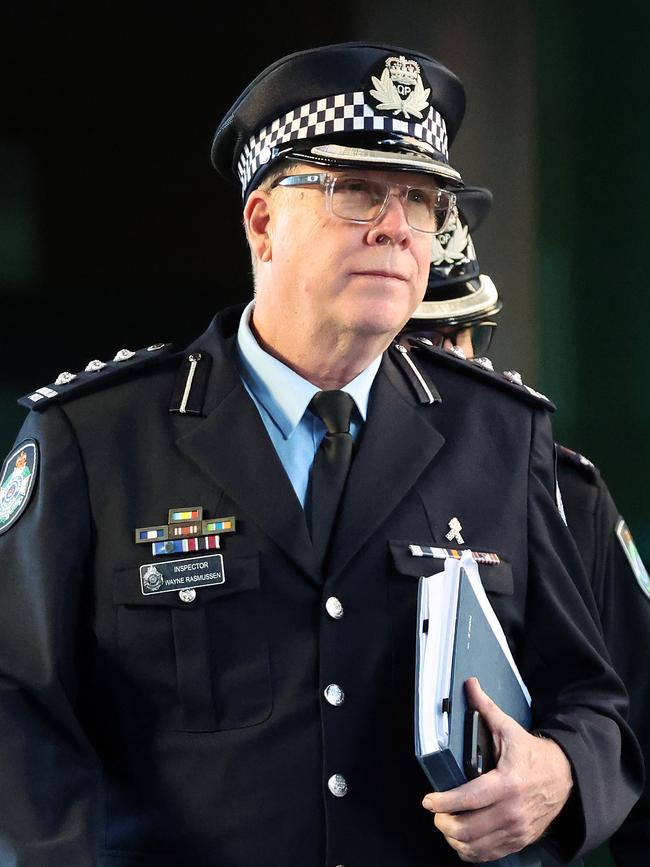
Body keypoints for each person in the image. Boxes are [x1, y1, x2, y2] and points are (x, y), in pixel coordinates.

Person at [0, 42, 643, 867]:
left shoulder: (502, 435)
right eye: (357, 191)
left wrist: (556, 772)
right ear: (262, 222)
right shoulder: (94, 440)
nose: (395, 227)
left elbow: (595, 696)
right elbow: (17, 706)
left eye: (421, 201)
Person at [400, 202, 650, 867]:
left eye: (469, 336)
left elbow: (638, 723)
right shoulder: (295, 481)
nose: (459, 364)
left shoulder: (567, 493)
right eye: (427, 341)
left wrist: (564, 768)